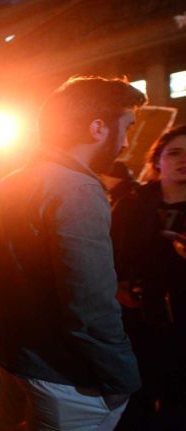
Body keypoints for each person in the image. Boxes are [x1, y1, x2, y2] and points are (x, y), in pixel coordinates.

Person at [0, 76, 146, 430]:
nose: (127, 143)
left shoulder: (8, 183)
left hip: (9, 357)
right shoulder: (78, 189)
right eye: (126, 128)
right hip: (64, 379)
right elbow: (90, 306)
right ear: (98, 128)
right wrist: (123, 378)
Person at [111, 125, 186, 430]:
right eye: (175, 153)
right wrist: (116, 286)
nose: (184, 160)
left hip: (183, 326)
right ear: (158, 162)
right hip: (138, 323)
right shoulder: (132, 204)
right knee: (134, 405)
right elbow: (109, 254)